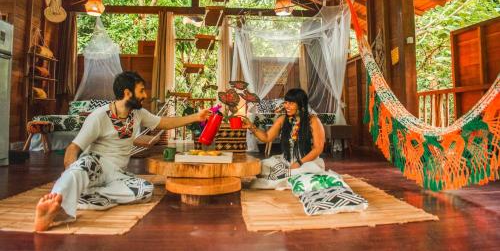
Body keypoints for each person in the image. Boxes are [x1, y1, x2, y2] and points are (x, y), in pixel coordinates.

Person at [34, 71, 211, 231]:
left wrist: (196, 116)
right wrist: (71, 172)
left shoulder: (138, 113)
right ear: (127, 93)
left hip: (117, 173)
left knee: (145, 190)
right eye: (141, 90)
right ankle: (56, 207)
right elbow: (74, 148)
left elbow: (164, 122)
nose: (145, 95)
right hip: (95, 166)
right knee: (80, 168)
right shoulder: (99, 116)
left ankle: (85, 196)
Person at [243, 88, 326, 189]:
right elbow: (267, 137)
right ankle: (286, 175)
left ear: (301, 104)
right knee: (260, 167)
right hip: (286, 161)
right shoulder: (282, 119)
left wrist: (299, 163)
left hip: (306, 161)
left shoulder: (313, 120)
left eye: (291, 103)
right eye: (286, 102)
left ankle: (285, 176)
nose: (287, 106)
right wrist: (252, 127)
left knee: (303, 174)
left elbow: (318, 148)